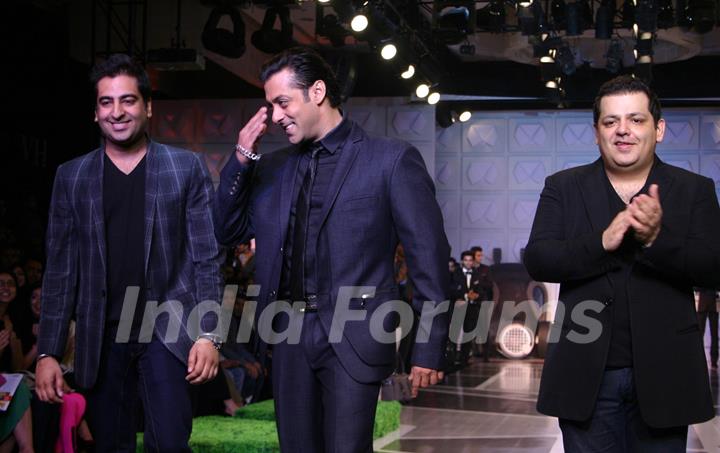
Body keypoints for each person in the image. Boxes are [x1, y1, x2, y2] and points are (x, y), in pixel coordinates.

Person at [213, 47, 450, 453]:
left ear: (317, 92)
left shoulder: (390, 160)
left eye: (282, 102)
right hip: (287, 337)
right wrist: (241, 157)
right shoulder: (271, 168)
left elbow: (428, 259)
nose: (275, 115)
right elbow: (226, 228)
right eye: (270, 105)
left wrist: (427, 348)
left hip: (356, 334)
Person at [36, 53, 224, 452]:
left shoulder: (184, 168)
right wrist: (48, 351)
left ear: (148, 107)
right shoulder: (72, 177)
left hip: (168, 333)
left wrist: (209, 334)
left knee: (170, 444)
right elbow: (60, 271)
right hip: (101, 336)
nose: (117, 112)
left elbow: (206, 258)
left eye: (128, 100)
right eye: (107, 102)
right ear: (95, 112)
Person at [524, 75, 720, 452]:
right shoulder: (563, 187)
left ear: (658, 128)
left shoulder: (694, 189)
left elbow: (714, 266)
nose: (623, 131)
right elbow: (539, 259)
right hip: (585, 379)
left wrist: (655, 240)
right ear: (597, 132)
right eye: (610, 122)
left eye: (636, 119)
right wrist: (602, 241)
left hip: (666, 377)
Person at [697, 287, 718, 369]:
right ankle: (713, 361)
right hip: (712, 300)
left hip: (705, 300)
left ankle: (700, 358)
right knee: (713, 333)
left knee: (701, 333)